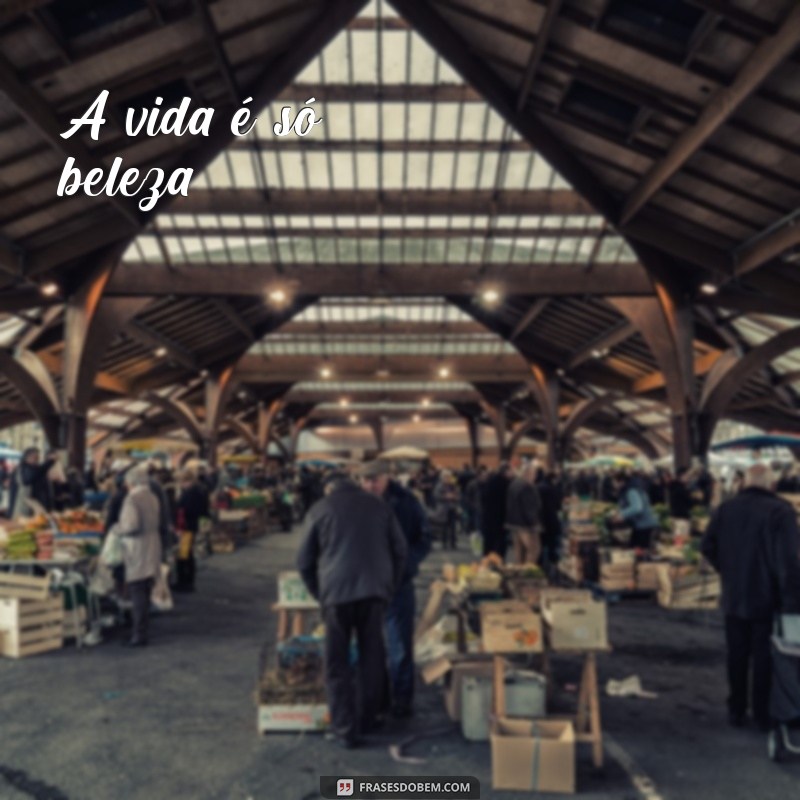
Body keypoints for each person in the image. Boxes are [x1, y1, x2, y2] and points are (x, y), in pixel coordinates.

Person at [297, 472, 407, 748]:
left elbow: (304, 560)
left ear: (328, 487)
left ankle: (345, 728)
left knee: (337, 663)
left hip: (336, 595)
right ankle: (369, 719)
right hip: (373, 592)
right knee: (372, 657)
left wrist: (319, 592)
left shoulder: (320, 508)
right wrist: (388, 586)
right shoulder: (379, 506)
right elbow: (400, 550)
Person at [701, 464, 800, 730]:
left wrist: (727, 570)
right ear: (772, 485)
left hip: (734, 594)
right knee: (765, 656)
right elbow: (789, 560)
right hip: (768, 597)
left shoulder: (726, 509)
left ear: (744, 483)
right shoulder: (781, 512)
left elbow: (707, 545)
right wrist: (791, 598)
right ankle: (761, 712)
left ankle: (736, 709)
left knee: (737, 654)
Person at [360, 460, 431, 718]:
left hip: (398, 584)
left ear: (387, 477)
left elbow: (424, 538)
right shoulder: (355, 504)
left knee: (399, 642)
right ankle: (376, 698)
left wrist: (407, 564)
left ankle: (402, 699)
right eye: (366, 480)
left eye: (375, 479)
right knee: (369, 643)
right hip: (365, 584)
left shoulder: (407, 502)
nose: (371, 485)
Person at [109, 466, 162, 647]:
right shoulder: (152, 497)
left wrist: (117, 529)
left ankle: (138, 634)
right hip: (152, 544)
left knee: (137, 589)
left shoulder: (132, 499)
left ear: (131, 482)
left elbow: (131, 525)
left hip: (137, 547)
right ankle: (143, 629)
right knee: (145, 589)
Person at [174, 469, 210, 592]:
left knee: (184, 554)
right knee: (186, 554)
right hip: (191, 526)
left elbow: (186, 509)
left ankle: (185, 582)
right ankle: (187, 581)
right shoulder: (199, 490)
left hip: (187, 526)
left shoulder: (191, 493)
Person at [506, 463, 542, 565]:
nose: (535, 476)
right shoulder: (527, 486)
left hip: (513, 522)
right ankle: (528, 573)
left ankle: (519, 573)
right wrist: (535, 524)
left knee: (519, 551)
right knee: (533, 549)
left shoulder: (514, 484)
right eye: (534, 473)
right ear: (527, 473)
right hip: (526, 524)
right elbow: (529, 508)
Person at [612, 471, 658, 550]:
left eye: (614, 482)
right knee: (634, 550)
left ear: (621, 482)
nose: (613, 484)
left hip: (645, 526)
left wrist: (622, 514)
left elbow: (637, 507)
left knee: (641, 552)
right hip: (639, 526)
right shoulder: (630, 490)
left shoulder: (631, 491)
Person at [9, 447, 56, 519]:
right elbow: (29, 478)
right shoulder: (23, 468)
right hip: (24, 505)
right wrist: (49, 462)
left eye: (38, 457)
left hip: (35, 504)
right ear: (27, 457)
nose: (37, 460)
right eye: (35, 457)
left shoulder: (34, 468)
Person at [480, 462, 511, 558]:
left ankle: (487, 559)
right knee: (499, 543)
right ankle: (498, 561)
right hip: (500, 517)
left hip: (488, 516)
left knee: (489, 542)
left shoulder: (490, 481)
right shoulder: (505, 483)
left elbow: (483, 497)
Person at [538, 471, 564, 572]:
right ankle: (552, 568)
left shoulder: (538, 487)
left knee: (541, 545)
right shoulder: (552, 489)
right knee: (552, 546)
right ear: (553, 479)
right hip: (551, 521)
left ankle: (540, 566)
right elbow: (558, 506)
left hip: (540, 521)